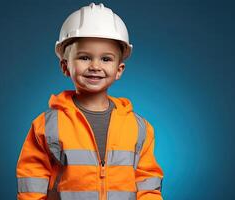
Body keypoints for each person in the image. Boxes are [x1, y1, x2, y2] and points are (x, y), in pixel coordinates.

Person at [16, 3, 164, 200]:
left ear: (119, 70)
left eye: (106, 59)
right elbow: (32, 179)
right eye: (84, 57)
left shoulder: (139, 128)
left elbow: (147, 184)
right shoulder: (47, 125)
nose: (95, 66)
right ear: (65, 66)